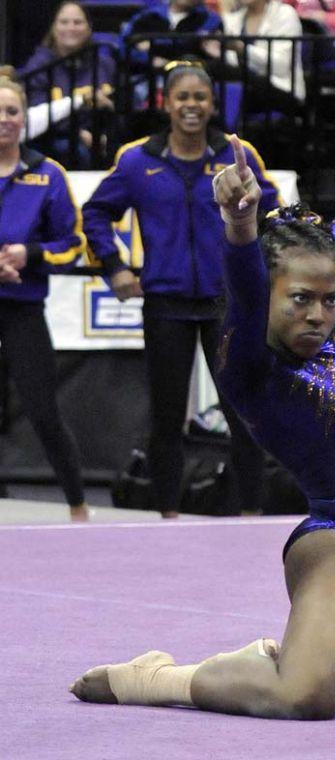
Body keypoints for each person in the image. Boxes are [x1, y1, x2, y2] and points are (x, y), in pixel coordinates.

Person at [70, 23, 335, 721]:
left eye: (330, 300)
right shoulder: (253, 359)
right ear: (269, 297)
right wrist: (240, 227)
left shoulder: (323, 290)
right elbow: (249, 284)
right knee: (304, 698)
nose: (319, 314)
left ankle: (317, 643)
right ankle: (158, 677)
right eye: (301, 302)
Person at [82, 60, 280, 519]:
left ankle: (252, 515)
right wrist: (113, 267)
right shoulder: (137, 160)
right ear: (167, 104)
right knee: (167, 420)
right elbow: (95, 213)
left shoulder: (236, 154)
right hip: (165, 305)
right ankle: (168, 517)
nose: (191, 106)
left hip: (225, 303)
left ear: (212, 104)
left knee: (243, 413)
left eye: (200, 98)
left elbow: (273, 213)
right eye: (182, 98)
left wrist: (261, 270)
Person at [0, 75, 89, 522]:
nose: (4, 120)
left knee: (43, 410)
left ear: (24, 119)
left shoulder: (47, 172)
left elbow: (72, 245)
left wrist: (29, 253)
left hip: (22, 309)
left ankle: (78, 506)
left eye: (12, 111)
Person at [19, 1, 116, 168]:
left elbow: (124, 107)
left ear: (89, 28)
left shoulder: (105, 64)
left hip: (101, 136)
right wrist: (77, 133)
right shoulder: (38, 66)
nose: (71, 28)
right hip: (54, 139)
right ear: (54, 27)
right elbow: (36, 116)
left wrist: (110, 110)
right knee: (75, 151)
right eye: (64, 22)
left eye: (77, 22)